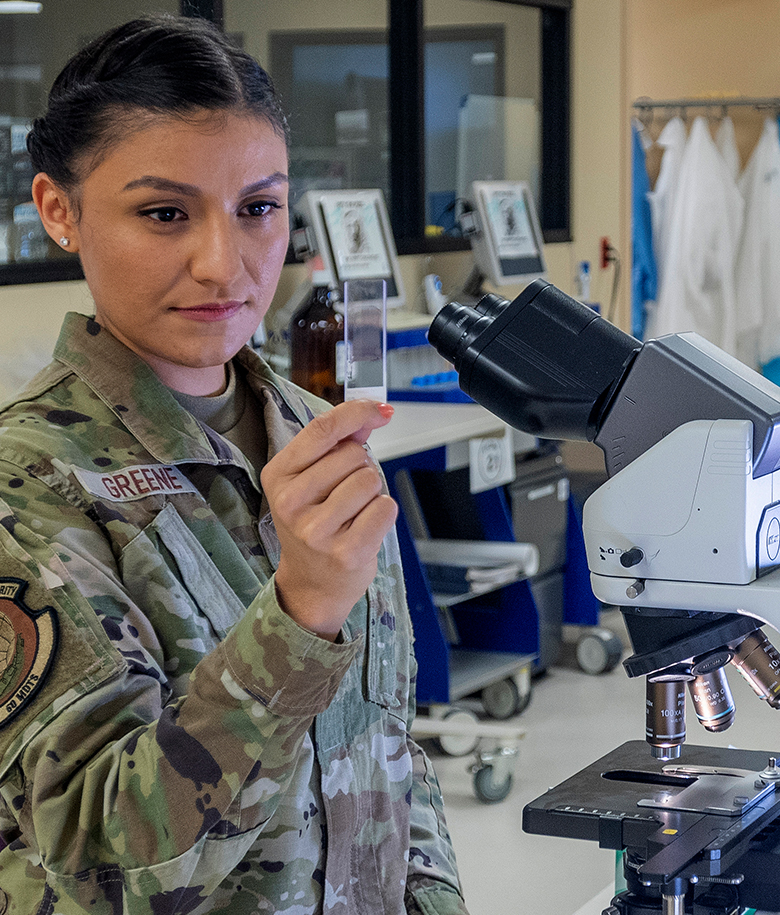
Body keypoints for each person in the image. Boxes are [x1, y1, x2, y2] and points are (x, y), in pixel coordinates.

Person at [0, 15, 470, 914]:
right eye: (164, 212)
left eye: (257, 208)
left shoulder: (315, 433)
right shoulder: (30, 487)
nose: (224, 264)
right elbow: (105, 867)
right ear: (59, 210)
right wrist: (300, 616)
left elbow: (389, 748)